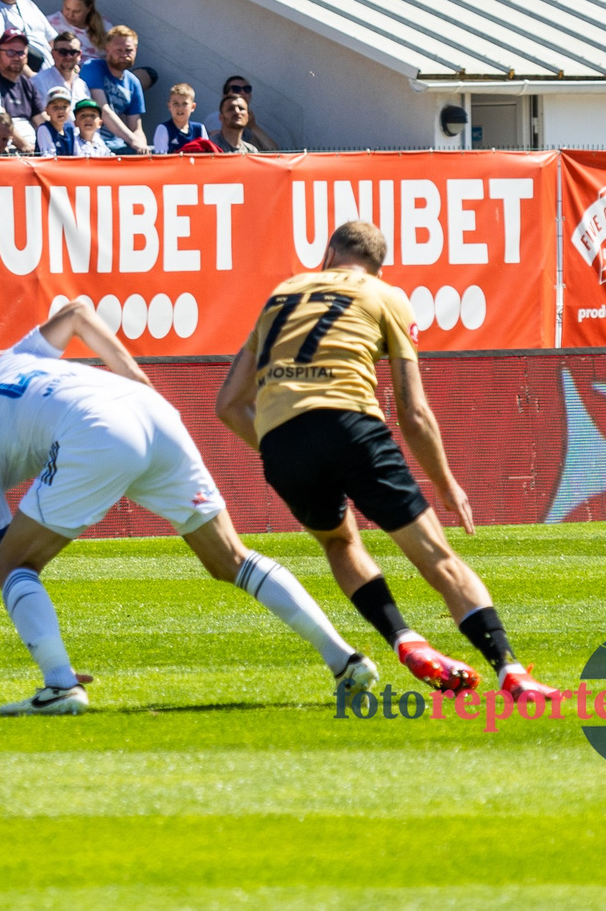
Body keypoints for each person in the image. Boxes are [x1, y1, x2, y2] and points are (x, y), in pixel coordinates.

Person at [0, 295, 377, 716]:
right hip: (149, 409)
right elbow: (77, 311)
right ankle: (345, 660)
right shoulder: (6, 364)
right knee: (230, 558)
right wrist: (138, 379)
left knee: (12, 566)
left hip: (96, 430)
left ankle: (59, 685)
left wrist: (38, 612)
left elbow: (7, 551)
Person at [212, 219, 559, 706]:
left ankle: (403, 637)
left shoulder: (281, 295)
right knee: (437, 558)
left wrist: (279, 444)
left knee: (339, 541)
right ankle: (510, 670)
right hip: (353, 426)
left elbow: (228, 404)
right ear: (378, 265)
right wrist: (445, 482)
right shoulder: (385, 295)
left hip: (282, 442)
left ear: (328, 254)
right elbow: (412, 411)